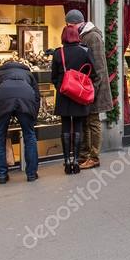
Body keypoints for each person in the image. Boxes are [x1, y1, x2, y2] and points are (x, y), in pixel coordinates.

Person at [64, 10, 113, 169]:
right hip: (87, 88)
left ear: (78, 23)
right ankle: (85, 155)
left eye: (70, 25)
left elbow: (99, 67)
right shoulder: (85, 35)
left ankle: (94, 157)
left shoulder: (92, 37)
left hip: (93, 89)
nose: (69, 28)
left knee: (93, 122)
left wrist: (92, 90)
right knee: (86, 121)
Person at [0, 58, 41, 184]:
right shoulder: (28, 73)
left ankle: (1, 175)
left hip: (2, 100)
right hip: (26, 98)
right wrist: (33, 115)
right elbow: (37, 96)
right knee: (29, 135)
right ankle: (31, 173)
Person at [51, 24, 94, 175]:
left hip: (64, 94)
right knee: (77, 126)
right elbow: (93, 73)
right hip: (79, 94)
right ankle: (76, 161)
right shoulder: (85, 51)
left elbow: (54, 77)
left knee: (65, 126)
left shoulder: (58, 53)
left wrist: (62, 88)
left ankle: (67, 161)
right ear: (77, 35)